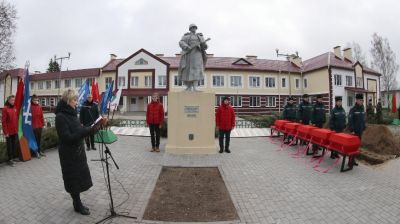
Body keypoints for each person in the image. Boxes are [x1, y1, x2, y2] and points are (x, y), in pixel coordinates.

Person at [55, 89, 105, 215]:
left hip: (78, 152)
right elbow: (67, 137)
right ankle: (77, 204)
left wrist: (93, 128)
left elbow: (78, 129)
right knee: (73, 179)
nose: (76, 103)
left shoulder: (72, 114)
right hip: (68, 153)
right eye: (74, 100)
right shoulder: (60, 117)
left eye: (76, 100)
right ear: (67, 101)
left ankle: (77, 203)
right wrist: (85, 131)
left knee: (78, 178)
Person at [178, 24, 208, 91]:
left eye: (195, 28)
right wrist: (186, 46)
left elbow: (204, 46)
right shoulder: (186, 36)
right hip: (188, 54)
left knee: (197, 70)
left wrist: (204, 44)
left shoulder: (199, 36)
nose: (194, 29)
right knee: (187, 70)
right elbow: (181, 42)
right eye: (192, 28)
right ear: (190, 29)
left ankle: (195, 87)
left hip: (197, 54)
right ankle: (188, 87)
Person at [348, 93, 366, 166]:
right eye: (360, 100)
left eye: (362, 100)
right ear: (357, 100)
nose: (362, 102)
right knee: (352, 147)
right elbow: (350, 120)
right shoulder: (353, 109)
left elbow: (363, 119)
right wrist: (352, 130)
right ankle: (350, 162)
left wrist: (364, 126)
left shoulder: (362, 108)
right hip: (354, 132)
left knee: (357, 147)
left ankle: (353, 160)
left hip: (360, 131)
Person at [2, 95, 18, 166]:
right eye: (12, 100)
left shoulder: (14, 107)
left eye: (14, 100)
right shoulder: (5, 109)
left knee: (14, 145)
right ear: (8, 100)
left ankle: (13, 157)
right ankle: (10, 160)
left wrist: (17, 129)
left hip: (14, 130)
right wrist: (6, 132)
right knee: (9, 146)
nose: (13, 101)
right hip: (8, 131)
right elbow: (3, 121)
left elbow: (15, 119)